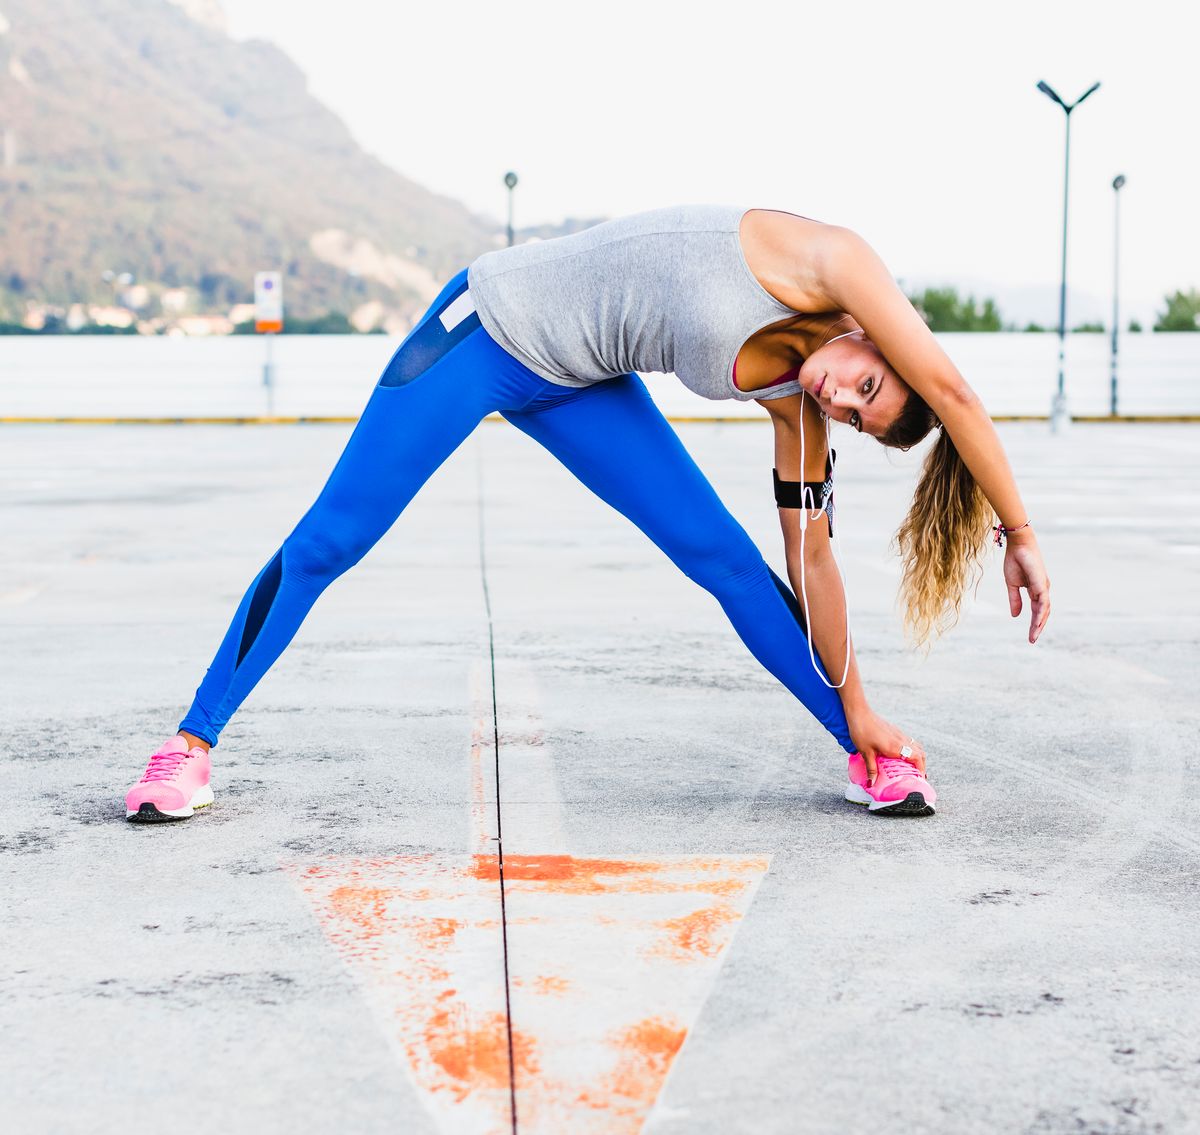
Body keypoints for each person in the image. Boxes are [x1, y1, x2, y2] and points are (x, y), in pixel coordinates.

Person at [123, 206, 1051, 823]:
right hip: (487, 328)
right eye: (867, 383)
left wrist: (860, 706)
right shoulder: (831, 262)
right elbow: (955, 390)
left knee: (722, 556)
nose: (841, 396)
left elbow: (812, 564)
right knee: (334, 538)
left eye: (857, 414)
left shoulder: (797, 407)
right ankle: (188, 747)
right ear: (877, 339)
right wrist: (1020, 532)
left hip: (579, 383)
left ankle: (864, 754)